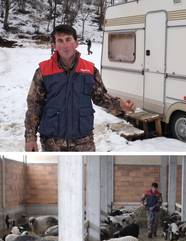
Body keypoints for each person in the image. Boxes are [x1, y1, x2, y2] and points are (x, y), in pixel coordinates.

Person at [24, 24, 135, 152]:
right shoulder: (43, 71)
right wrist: (30, 138)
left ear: (76, 43)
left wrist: (120, 104)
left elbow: (100, 97)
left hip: (83, 141)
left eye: (68, 39)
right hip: (52, 142)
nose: (65, 45)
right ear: (54, 45)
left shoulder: (90, 70)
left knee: (87, 170)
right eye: (60, 41)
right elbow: (34, 106)